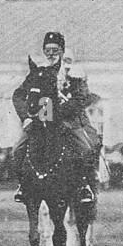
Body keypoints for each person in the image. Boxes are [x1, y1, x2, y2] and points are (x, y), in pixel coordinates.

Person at [11, 31, 100, 204]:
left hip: (69, 120)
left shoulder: (72, 71)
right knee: (18, 150)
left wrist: (59, 112)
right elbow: (19, 95)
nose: (51, 53)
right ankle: (23, 185)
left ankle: (84, 186)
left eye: (55, 49)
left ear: (62, 50)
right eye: (47, 49)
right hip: (40, 120)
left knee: (85, 149)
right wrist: (25, 117)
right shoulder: (39, 71)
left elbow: (80, 98)